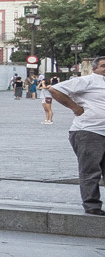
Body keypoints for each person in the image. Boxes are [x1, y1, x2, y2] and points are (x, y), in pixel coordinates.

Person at [46, 56, 105, 216]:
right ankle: (92, 206)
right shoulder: (87, 81)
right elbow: (55, 89)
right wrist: (76, 108)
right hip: (89, 131)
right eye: (103, 66)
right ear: (94, 69)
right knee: (90, 171)